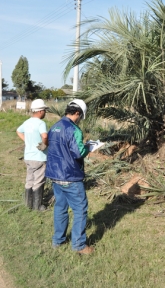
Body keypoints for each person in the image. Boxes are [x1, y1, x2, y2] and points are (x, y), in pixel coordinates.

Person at [45, 99, 93, 255]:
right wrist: (89, 147)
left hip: (55, 175)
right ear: (77, 113)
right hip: (70, 176)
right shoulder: (74, 130)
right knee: (80, 209)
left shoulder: (55, 126)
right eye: (81, 116)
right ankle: (79, 245)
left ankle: (58, 240)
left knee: (60, 208)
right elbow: (78, 153)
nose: (80, 119)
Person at [16, 98, 49, 211]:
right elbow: (44, 136)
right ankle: (37, 206)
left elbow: (18, 131)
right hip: (39, 157)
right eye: (44, 110)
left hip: (28, 157)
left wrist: (26, 140)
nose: (45, 112)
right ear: (40, 111)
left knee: (29, 180)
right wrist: (44, 145)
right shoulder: (41, 123)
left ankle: (28, 204)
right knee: (39, 181)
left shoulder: (27, 122)